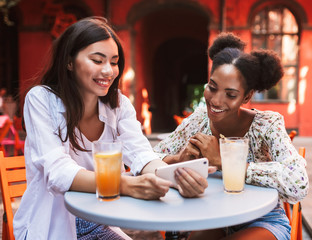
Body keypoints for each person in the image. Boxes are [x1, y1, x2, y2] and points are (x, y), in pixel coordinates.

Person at [13, 17, 208, 240]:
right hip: (50, 225)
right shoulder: (41, 100)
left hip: (97, 222)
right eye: (98, 60)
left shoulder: (118, 104)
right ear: (69, 62)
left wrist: (174, 175)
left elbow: (140, 154)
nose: (108, 70)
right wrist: (126, 185)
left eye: (114, 62)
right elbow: (58, 172)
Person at [153, 32, 309, 240]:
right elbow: (151, 157)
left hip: (262, 220)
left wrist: (224, 161)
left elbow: (298, 182)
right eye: (212, 87)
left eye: (230, 94)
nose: (216, 101)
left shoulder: (267, 124)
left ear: (246, 96)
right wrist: (178, 160)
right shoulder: (199, 119)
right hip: (214, 217)